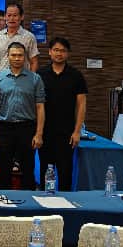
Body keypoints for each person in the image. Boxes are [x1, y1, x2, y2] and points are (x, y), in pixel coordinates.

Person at [0, 42, 45, 190]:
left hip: (27, 128)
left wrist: (39, 134)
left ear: (25, 57)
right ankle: (3, 199)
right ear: (8, 56)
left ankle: (29, 199)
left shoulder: (35, 79)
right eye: (13, 55)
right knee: (4, 168)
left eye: (20, 55)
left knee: (28, 168)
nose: (17, 58)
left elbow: (40, 107)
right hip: (4, 128)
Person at [38, 37, 87, 192]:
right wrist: (38, 132)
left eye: (63, 51)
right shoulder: (40, 74)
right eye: (56, 50)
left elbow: (81, 105)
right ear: (50, 52)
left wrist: (77, 131)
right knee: (45, 170)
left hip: (67, 132)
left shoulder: (76, 75)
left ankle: (66, 203)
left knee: (65, 172)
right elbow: (37, 105)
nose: (59, 54)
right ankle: (45, 201)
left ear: (68, 53)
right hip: (45, 132)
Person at [0, 4, 39, 74]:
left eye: (15, 15)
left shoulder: (29, 37)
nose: (11, 18)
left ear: (22, 17)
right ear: (5, 17)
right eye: (9, 15)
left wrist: (31, 79)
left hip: (22, 78)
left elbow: (34, 61)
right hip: (0, 78)